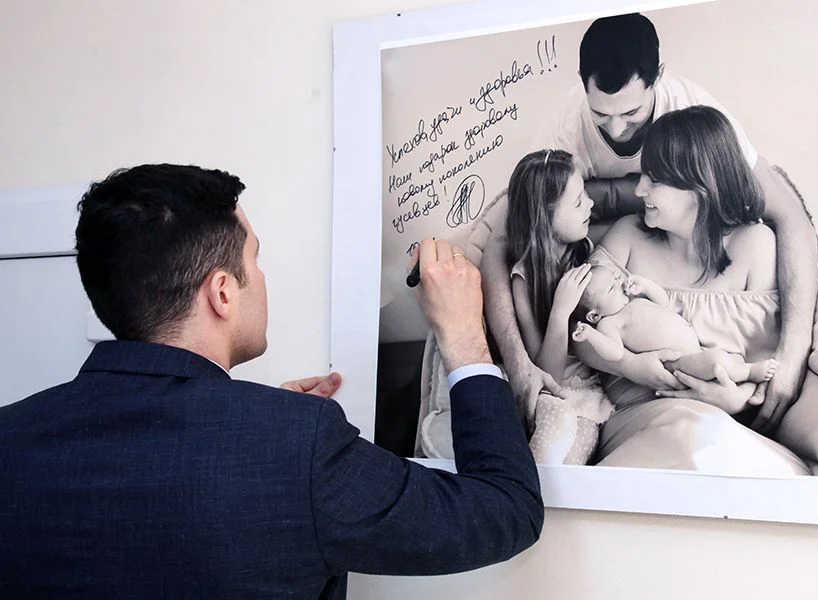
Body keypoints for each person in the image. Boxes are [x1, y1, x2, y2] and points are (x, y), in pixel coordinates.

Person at [0, 164, 543, 598]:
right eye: (255, 259)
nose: (261, 277)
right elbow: (505, 510)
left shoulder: (11, 438)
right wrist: (464, 335)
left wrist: (263, 432)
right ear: (222, 293)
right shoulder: (295, 446)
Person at [480, 12, 818, 435]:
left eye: (632, 113)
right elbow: (502, 240)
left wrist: (792, 354)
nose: (617, 128)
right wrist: (519, 365)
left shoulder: (697, 119)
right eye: (601, 115)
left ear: (658, 78)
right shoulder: (567, 128)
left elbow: (791, 217)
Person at [576, 105, 808, 474]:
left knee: (718, 450)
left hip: (728, 427)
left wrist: (734, 401)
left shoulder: (756, 246)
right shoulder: (627, 237)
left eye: (654, 179)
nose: (639, 189)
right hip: (642, 421)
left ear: (700, 186)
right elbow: (578, 334)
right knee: (685, 442)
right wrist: (632, 367)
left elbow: (766, 364)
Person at [504, 149, 615, 465]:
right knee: (548, 440)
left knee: (571, 459)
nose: (590, 204)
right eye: (578, 202)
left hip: (587, 394)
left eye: (586, 195)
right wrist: (560, 311)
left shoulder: (584, 251)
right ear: (544, 217)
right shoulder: (524, 278)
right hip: (549, 390)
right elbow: (547, 373)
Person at [571, 262, 779, 390]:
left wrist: (645, 285)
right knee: (716, 361)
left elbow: (663, 301)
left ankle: (738, 376)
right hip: (677, 363)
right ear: (594, 315)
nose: (619, 284)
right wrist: (591, 335)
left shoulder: (635, 300)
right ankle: (750, 373)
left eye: (616, 278)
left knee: (729, 357)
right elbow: (615, 353)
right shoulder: (609, 323)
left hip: (695, 349)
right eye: (611, 288)